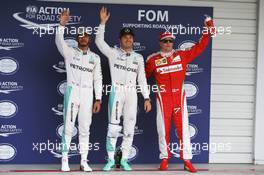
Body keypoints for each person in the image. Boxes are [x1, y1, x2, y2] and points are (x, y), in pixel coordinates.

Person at [145, 16, 214, 173]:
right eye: (165, 41)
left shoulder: (182, 55)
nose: (168, 43)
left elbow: (200, 46)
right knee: (163, 130)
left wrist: (208, 28)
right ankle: (164, 158)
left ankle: (187, 160)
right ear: (160, 42)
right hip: (163, 100)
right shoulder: (153, 60)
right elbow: (142, 77)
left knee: (184, 130)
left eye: (170, 41)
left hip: (179, 99)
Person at [95, 6, 152, 171]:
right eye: (125, 37)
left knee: (129, 127)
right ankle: (111, 159)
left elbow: (141, 79)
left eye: (130, 37)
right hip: (117, 91)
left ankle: (125, 158)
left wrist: (147, 98)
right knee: (113, 127)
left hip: (132, 93)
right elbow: (99, 42)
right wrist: (102, 23)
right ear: (120, 39)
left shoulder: (138, 58)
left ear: (133, 40)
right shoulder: (113, 53)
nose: (128, 39)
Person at [55, 10, 102, 172]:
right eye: (80, 36)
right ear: (77, 39)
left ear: (89, 39)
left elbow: (98, 79)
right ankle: (65, 160)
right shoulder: (69, 52)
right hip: (73, 91)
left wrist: (98, 99)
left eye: (86, 36)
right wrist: (61, 25)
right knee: (68, 127)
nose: (83, 38)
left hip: (88, 95)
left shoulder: (95, 58)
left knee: (84, 128)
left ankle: (83, 161)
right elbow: (59, 42)